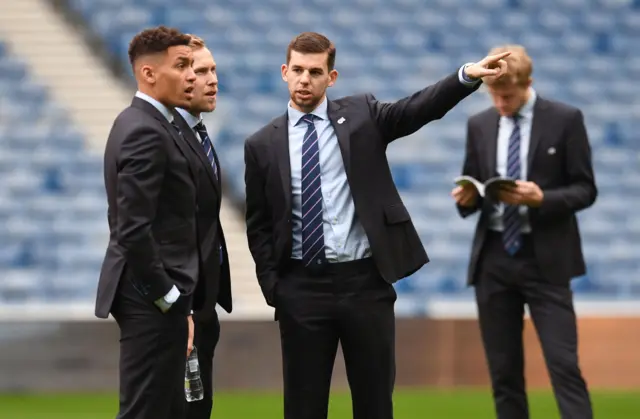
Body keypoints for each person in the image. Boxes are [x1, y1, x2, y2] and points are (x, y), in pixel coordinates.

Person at [243, 31, 510, 419]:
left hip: (364, 285)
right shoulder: (261, 144)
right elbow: (259, 225)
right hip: (302, 289)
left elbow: (417, 109)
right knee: (303, 406)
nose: (305, 79)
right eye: (297, 70)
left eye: (315, 72)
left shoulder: (363, 115)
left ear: (331, 78)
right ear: (284, 72)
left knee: (374, 404)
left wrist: (465, 76)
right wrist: (276, 288)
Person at [451, 44, 596, 419]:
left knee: (563, 366)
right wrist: (467, 198)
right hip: (494, 261)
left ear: (528, 83)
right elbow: (475, 189)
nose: (500, 103)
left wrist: (542, 198)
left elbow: (585, 189)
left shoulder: (566, 119)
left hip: (546, 260)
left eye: (508, 96)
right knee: (504, 374)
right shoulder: (478, 124)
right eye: (493, 95)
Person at [94, 26, 202, 419]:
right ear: (149, 74)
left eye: (192, 65)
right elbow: (132, 227)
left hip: (153, 296)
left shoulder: (149, 123)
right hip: (149, 298)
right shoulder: (144, 129)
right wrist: (168, 297)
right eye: (182, 65)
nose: (191, 75)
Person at [172, 34, 232, 419]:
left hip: (202, 302)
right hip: (180, 305)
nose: (212, 80)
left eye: (214, 70)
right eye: (201, 70)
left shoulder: (196, 132)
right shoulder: (163, 136)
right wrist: (181, 307)